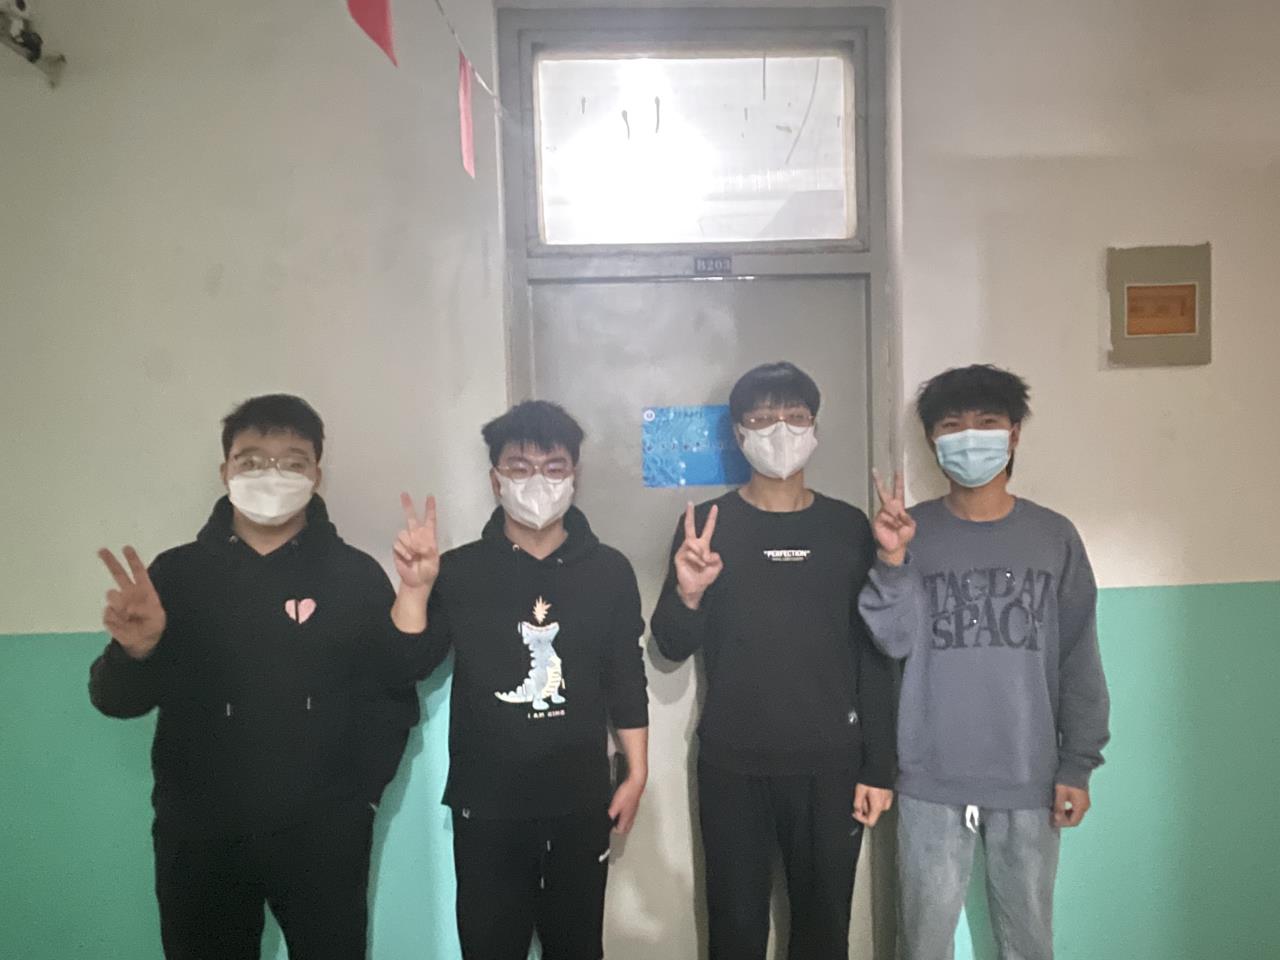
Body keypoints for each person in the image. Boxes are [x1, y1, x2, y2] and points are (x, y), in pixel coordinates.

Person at [89, 393, 439, 960]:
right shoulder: (175, 575)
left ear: (316, 474)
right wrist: (136, 650)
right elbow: (114, 700)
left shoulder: (353, 575)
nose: (271, 475)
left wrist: (361, 801)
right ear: (225, 470)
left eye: (292, 461)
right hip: (199, 836)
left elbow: (393, 688)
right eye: (251, 460)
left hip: (325, 837)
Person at [859, 364, 1111, 960]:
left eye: (987, 422)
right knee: (922, 944)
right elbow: (891, 640)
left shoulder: (1054, 537)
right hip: (929, 776)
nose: (969, 437)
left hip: (1029, 776)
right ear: (931, 441)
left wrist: (1077, 764)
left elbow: (1078, 657)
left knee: (1029, 942)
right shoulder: (911, 533)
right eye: (952, 426)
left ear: (1014, 433)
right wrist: (892, 562)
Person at [649, 361, 897, 960]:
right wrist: (689, 593)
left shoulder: (848, 527)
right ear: (738, 433)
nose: (779, 429)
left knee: (824, 934)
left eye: (794, 416)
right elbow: (671, 645)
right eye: (762, 418)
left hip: (832, 767)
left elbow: (875, 653)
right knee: (735, 934)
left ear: (815, 427)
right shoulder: (707, 528)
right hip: (733, 765)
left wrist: (880, 767)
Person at [401, 400, 649, 960]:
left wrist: (637, 771)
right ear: (496, 480)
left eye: (554, 466)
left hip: (580, 798)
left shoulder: (609, 570)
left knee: (578, 947)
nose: (537, 480)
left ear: (574, 476)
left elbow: (625, 674)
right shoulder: (459, 570)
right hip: (487, 804)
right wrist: (415, 590)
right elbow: (411, 664)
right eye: (519, 466)